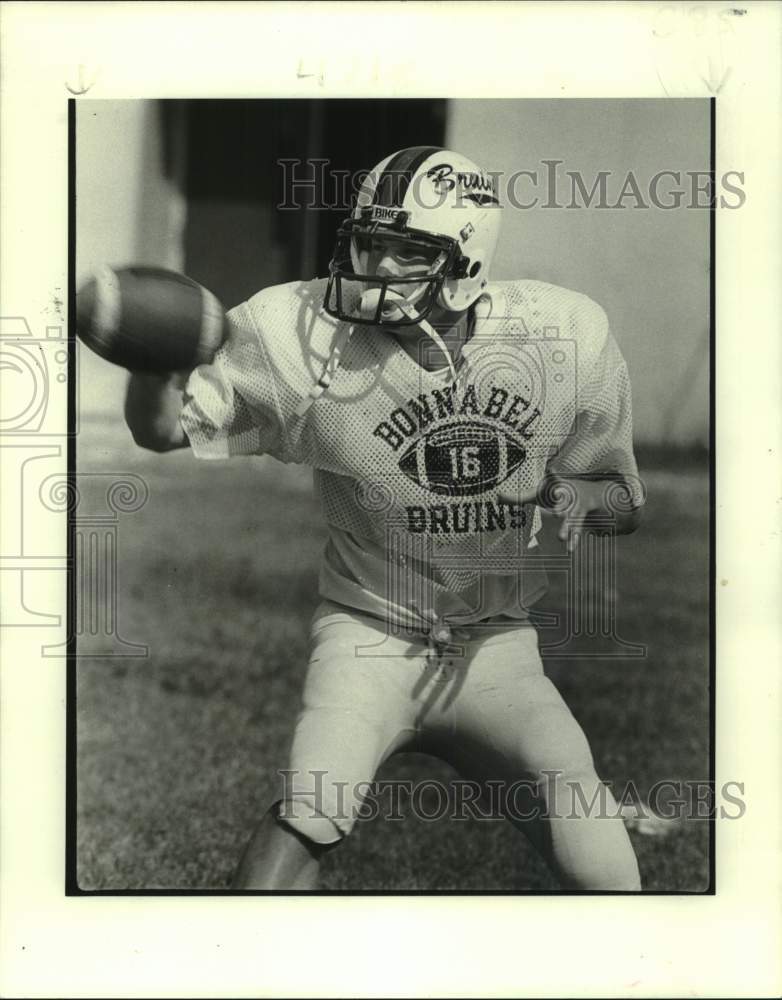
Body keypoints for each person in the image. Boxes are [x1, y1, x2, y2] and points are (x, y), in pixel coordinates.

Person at [125, 146, 644, 890]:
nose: (372, 267)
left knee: (603, 858)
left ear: (465, 264)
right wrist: (155, 364)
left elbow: (623, 504)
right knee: (311, 809)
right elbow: (163, 429)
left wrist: (581, 497)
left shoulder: (562, 337)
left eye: (404, 253)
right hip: (367, 633)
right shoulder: (300, 335)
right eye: (366, 243)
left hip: (497, 645)